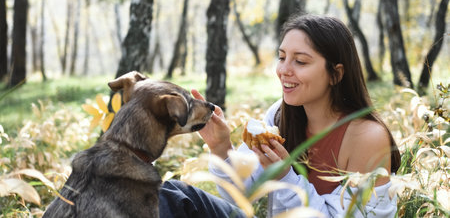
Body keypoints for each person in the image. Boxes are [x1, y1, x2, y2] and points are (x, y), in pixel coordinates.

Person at [159, 14, 400, 218]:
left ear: (336, 74)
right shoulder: (280, 115)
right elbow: (243, 194)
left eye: (301, 61)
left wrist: (287, 177)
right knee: (169, 194)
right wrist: (221, 148)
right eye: (282, 57)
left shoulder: (367, 138)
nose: (284, 70)